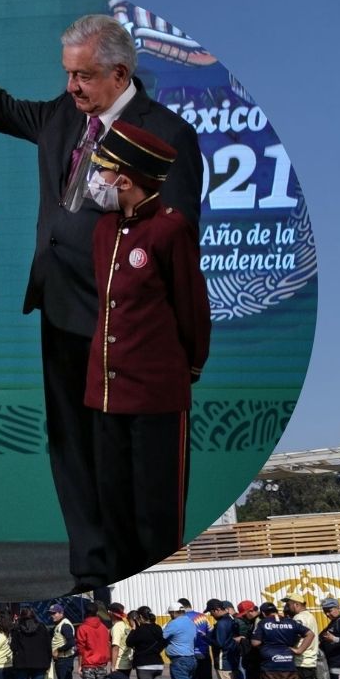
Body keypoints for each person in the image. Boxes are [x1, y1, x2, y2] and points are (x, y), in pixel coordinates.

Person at [0, 13, 201, 592]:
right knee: (72, 449)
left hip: (125, 327)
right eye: (67, 74)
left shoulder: (167, 134)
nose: (71, 87)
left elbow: (171, 237)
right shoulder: (59, 116)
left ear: (119, 72)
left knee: (127, 461)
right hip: (61, 312)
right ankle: (92, 569)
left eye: (83, 76)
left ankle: (137, 574)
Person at [83, 122, 209, 579]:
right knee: (113, 504)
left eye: (105, 169)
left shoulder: (170, 230)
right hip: (107, 393)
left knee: (157, 508)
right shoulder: (104, 231)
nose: (98, 178)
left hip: (156, 392)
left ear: (127, 179)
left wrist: (188, 367)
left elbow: (191, 308)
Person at [162, 600, 202, 679]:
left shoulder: (174, 623)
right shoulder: (190, 622)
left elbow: (162, 637)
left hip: (180, 660)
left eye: (170, 613)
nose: (170, 615)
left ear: (174, 612)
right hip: (191, 658)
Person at [75, 601, 113, 679]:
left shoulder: (83, 628)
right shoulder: (103, 627)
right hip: (102, 663)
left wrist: (80, 665)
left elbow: (81, 648)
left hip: (89, 663)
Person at [47, 602, 79, 679]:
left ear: (61, 613)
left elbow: (71, 642)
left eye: (54, 613)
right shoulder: (59, 624)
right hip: (61, 660)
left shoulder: (64, 625)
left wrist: (58, 650)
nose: (52, 616)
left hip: (65, 659)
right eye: (51, 614)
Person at [107, 604, 136, 679]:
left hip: (120, 663)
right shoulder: (125, 625)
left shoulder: (117, 627)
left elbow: (115, 647)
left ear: (110, 613)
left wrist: (113, 666)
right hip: (127, 661)